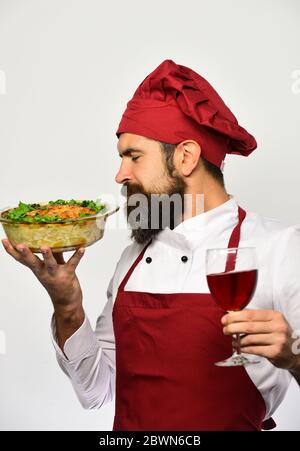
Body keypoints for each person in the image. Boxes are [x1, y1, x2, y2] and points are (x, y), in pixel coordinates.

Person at [2, 59, 300, 431]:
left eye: (134, 156)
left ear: (186, 157)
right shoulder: (133, 258)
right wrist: (66, 305)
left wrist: (294, 357)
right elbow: (95, 392)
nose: (120, 174)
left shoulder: (278, 248)